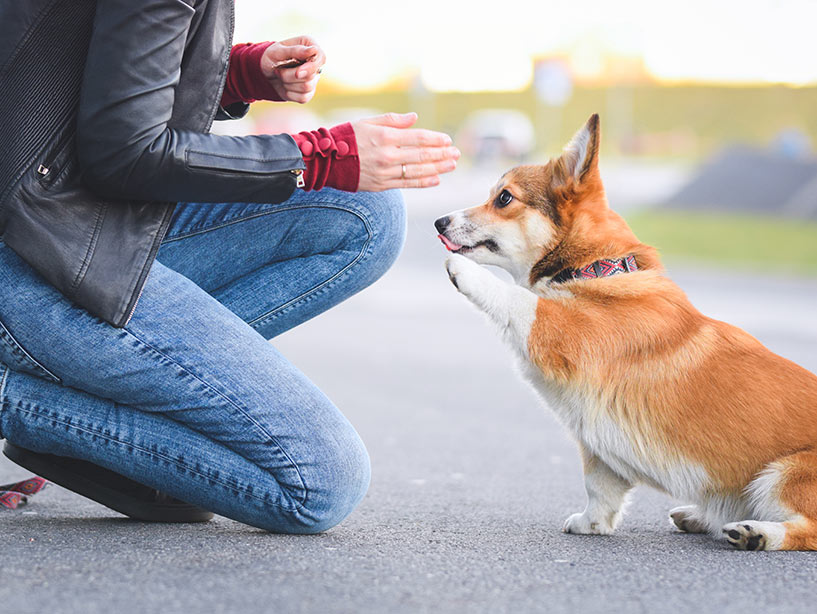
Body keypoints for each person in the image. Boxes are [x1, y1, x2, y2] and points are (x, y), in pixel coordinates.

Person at [0, 0, 459, 532]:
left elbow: (70, 81)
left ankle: (100, 423)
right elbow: (123, 154)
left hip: (70, 218)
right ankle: (25, 398)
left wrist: (239, 73)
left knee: (364, 214)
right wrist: (318, 154)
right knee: (320, 482)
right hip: (36, 251)